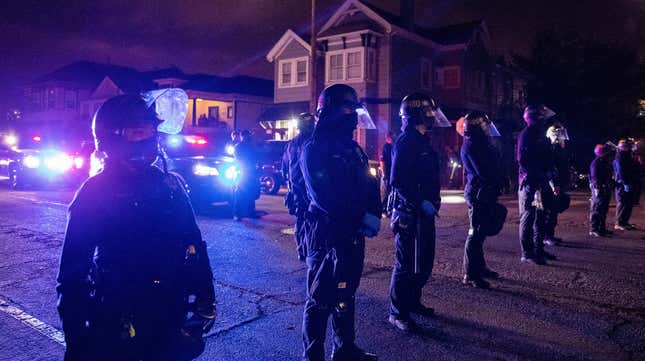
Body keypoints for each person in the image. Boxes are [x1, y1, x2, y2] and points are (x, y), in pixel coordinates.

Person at [56, 91, 216, 361]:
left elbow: (194, 245)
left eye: (150, 131)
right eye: (137, 132)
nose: (148, 138)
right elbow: (72, 277)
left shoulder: (170, 185)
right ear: (112, 135)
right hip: (115, 319)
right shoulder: (95, 192)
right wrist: (77, 342)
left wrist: (204, 300)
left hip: (168, 314)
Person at [300, 84, 381, 361]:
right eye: (347, 110)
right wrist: (356, 217)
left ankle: (344, 348)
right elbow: (323, 196)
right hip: (326, 233)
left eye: (353, 111)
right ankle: (313, 356)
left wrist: (373, 212)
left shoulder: (353, 148)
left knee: (347, 291)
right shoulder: (314, 148)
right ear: (331, 112)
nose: (352, 116)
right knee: (320, 297)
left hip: (352, 232)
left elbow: (371, 182)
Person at [388, 93, 450, 332]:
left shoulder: (423, 140)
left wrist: (433, 201)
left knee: (422, 263)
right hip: (409, 213)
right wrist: (419, 201)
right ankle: (398, 312)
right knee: (406, 265)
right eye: (428, 112)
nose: (432, 117)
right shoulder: (406, 142)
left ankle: (413, 302)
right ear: (416, 114)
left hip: (424, 213)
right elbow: (398, 181)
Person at [460, 111, 505, 289]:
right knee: (475, 233)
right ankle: (470, 274)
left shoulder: (482, 143)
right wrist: (496, 181)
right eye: (485, 126)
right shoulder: (471, 145)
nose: (487, 129)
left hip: (486, 192)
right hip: (478, 193)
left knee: (481, 232)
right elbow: (483, 171)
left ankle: (480, 267)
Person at [517, 104, 558, 265]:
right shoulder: (526, 135)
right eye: (541, 117)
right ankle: (527, 253)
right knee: (528, 216)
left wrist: (550, 172)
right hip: (530, 183)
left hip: (541, 182)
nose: (544, 120)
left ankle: (538, 249)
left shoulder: (540, 135)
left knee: (540, 216)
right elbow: (523, 161)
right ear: (535, 118)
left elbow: (547, 158)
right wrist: (538, 174)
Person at [283, 112, 315, 261]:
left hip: (295, 188)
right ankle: (308, 249)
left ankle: (301, 250)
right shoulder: (312, 143)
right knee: (310, 219)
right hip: (309, 189)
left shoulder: (290, 144)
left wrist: (289, 185)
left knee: (301, 219)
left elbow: (285, 168)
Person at [544, 123, 570, 246]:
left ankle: (550, 235)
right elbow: (550, 168)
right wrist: (554, 184)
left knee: (553, 211)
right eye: (560, 134)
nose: (563, 137)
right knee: (550, 211)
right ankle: (546, 236)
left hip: (559, 183)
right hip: (553, 185)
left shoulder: (559, 149)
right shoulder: (552, 149)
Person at [589, 144, 615, 237]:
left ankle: (601, 228)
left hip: (604, 187)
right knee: (597, 209)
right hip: (599, 188)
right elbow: (596, 178)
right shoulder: (596, 163)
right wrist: (600, 187)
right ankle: (594, 229)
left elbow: (608, 176)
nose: (609, 154)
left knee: (603, 209)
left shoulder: (604, 162)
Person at [233, 130, 260, 220]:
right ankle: (238, 213)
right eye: (247, 136)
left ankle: (249, 212)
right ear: (243, 136)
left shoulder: (249, 146)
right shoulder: (239, 147)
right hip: (243, 172)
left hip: (249, 172)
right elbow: (238, 159)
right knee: (240, 193)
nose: (248, 137)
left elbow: (256, 158)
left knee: (250, 193)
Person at [614, 138, 638, 230]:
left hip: (628, 181)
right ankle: (619, 223)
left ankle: (624, 222)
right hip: (622, 183)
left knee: (628, 203)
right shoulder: (620, 156)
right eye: (628, 146)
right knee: (623, 202)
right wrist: (625, 183)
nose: (631, 147)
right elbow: (621, 171)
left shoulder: (626, 155)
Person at [380, 131, 395, 212]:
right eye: (392, 136)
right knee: (385, 192)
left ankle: (388, 208)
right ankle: (383, 208)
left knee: (390, 191)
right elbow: (382, 161)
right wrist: (384, 173)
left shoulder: (393, 146)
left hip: (391, 172)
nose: (393, 138)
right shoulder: (386, 147)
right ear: (388, 138)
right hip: (387, 172)